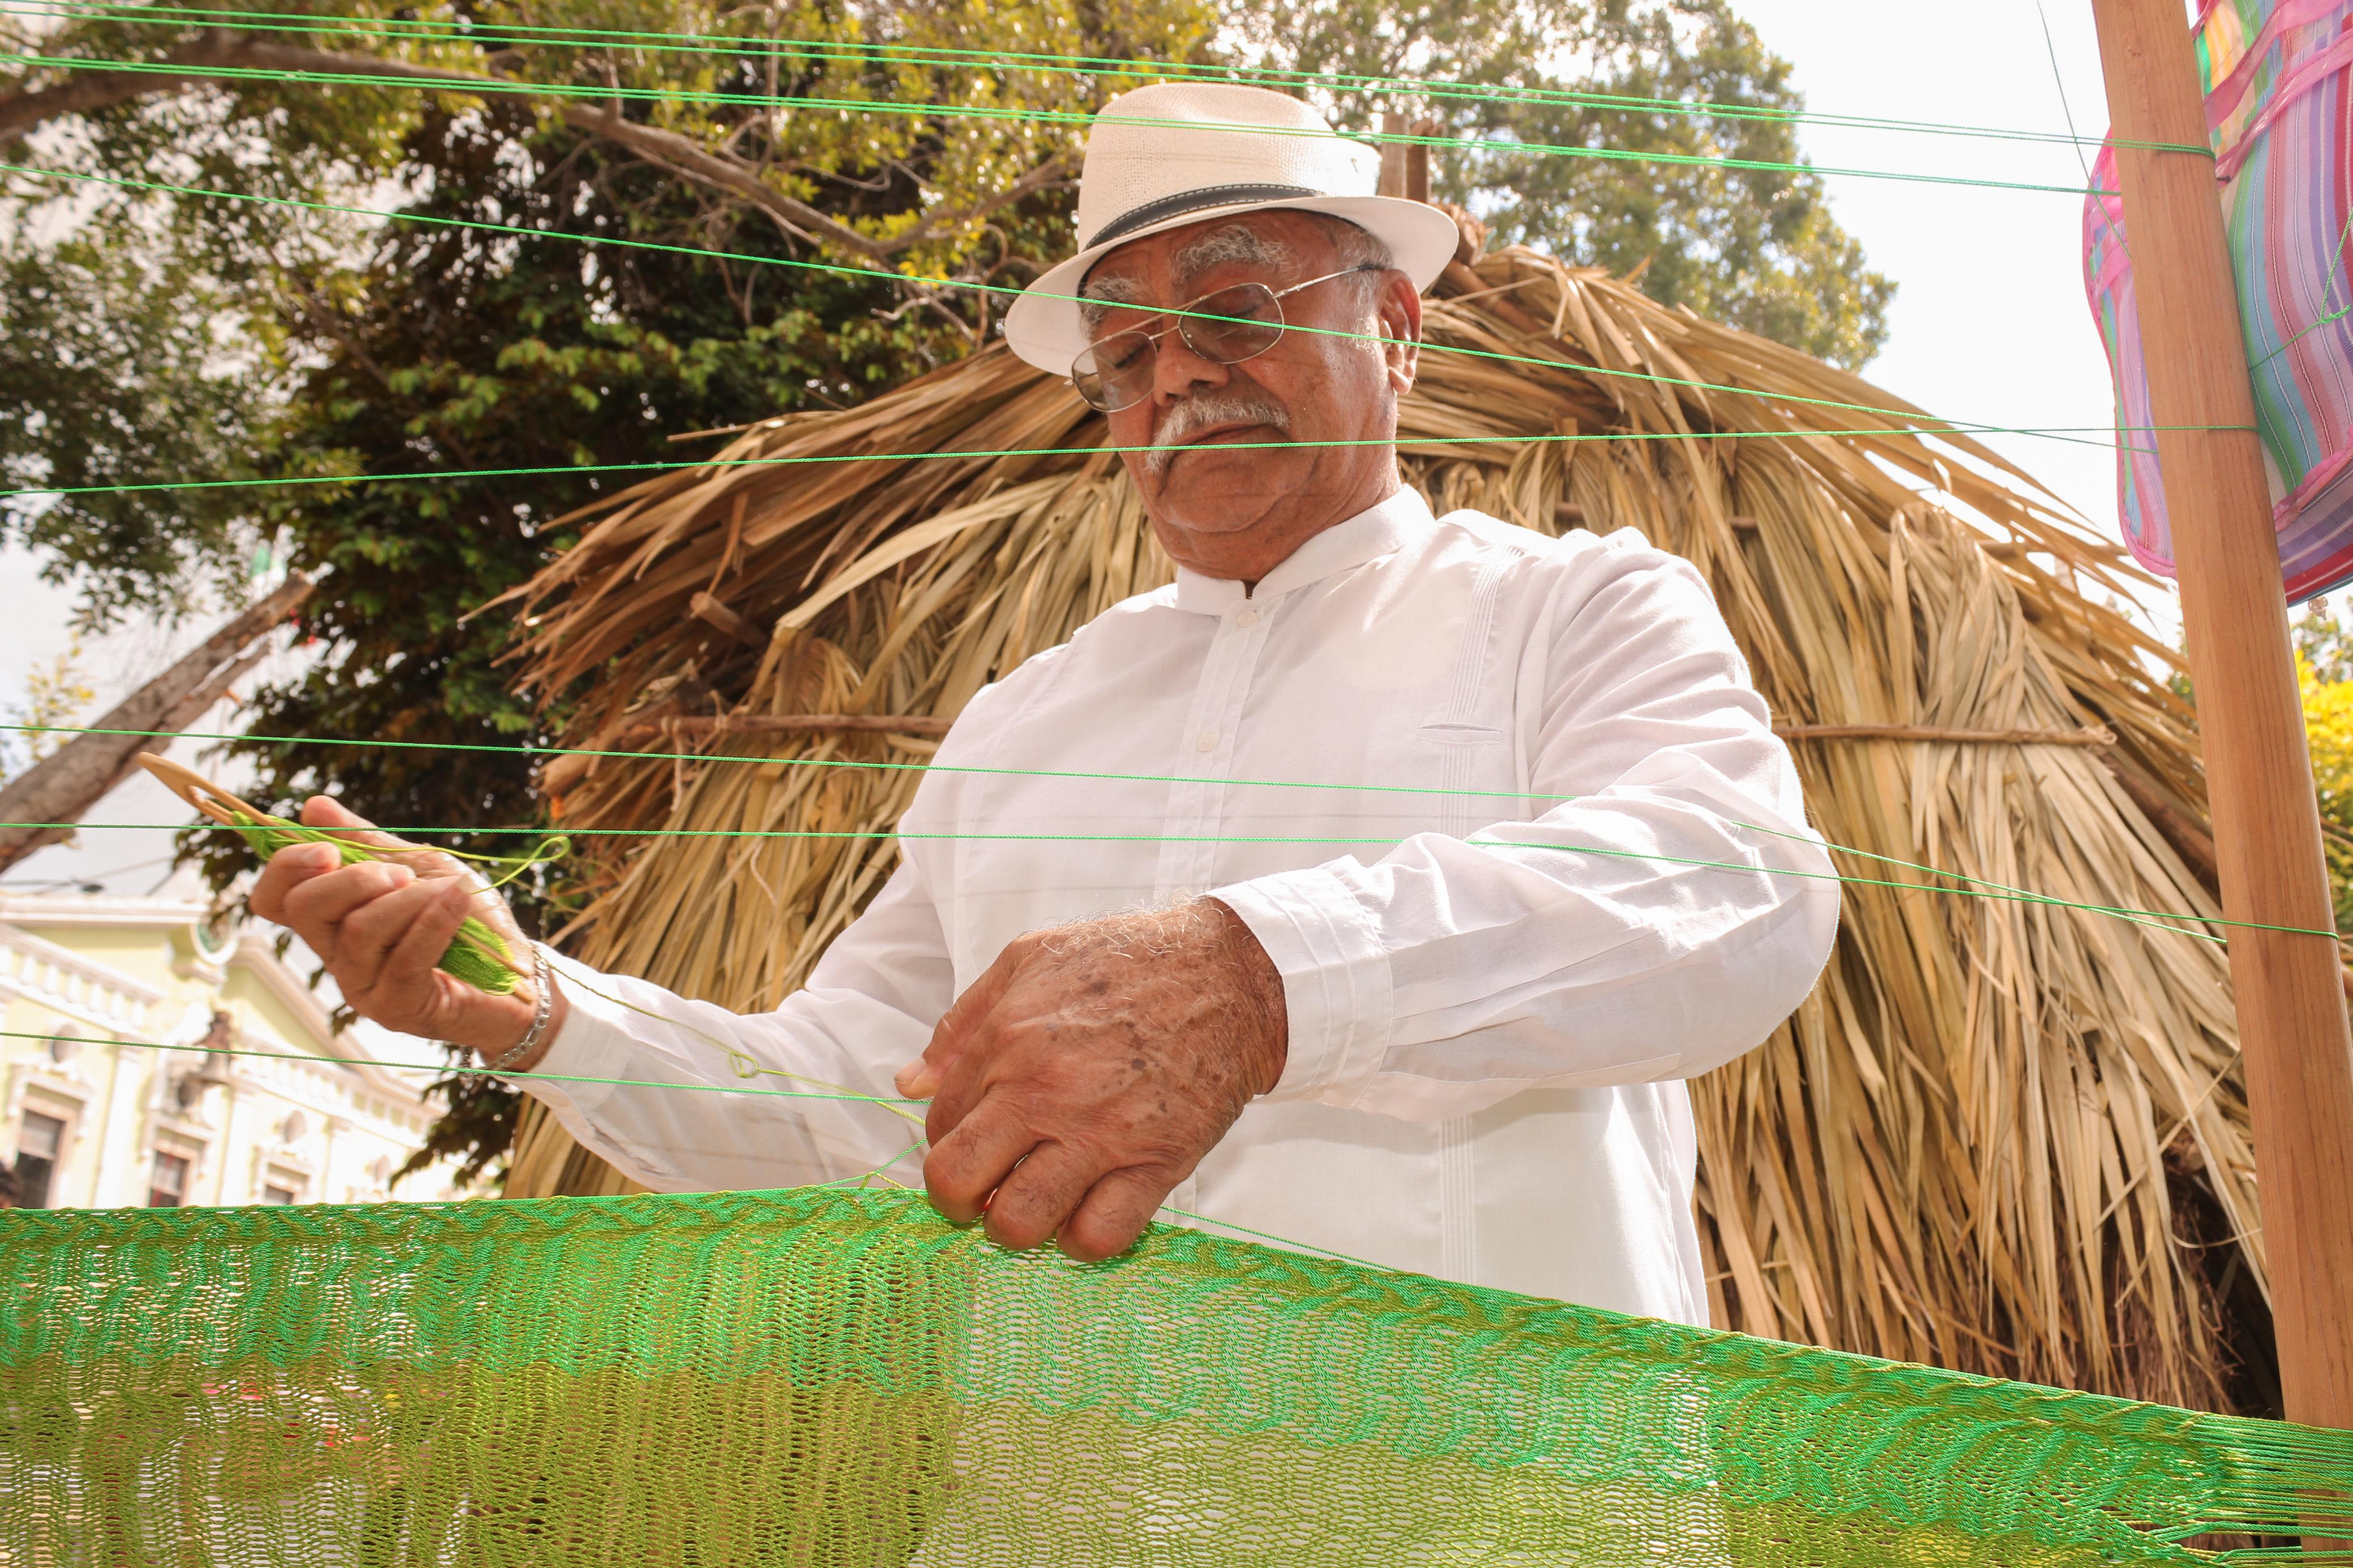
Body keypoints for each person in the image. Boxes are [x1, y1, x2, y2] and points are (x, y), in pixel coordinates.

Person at [251, 83, 1838, 1325]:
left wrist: (1262, 983)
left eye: (1235, 308)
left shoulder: (1573, 610)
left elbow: (1740, 890)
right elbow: (859, 1112)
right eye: (1125, 352)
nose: (1177, 376)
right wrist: (536, 1012)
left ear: (1396, 328)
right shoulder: (1022, 724)